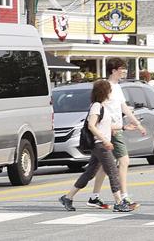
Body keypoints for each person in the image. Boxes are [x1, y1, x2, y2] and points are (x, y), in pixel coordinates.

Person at [59, 80, 132, 212]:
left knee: (90, 173)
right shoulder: (96, 106)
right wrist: (105, 140)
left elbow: (104, 125)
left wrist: (123, 127)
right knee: (113, 172)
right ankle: (119, 202)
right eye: (109, 90)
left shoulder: (101, 106)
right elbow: (91, 126)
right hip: (100, 145)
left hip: (100, 144)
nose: (111, 93)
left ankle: (68, 197)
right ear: (104, 92)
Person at [86, 58, 146, 210]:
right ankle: (124, 196)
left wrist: (137, 124)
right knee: (124, 161)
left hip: (115, 128)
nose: (124, 71)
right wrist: (110, 127)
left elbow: (124, 107)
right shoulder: (106, 87)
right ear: (113, 71)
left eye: (125, 69)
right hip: (111, 130)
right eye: (121, 69)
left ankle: (94, 197)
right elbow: (99, 110)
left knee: (102, 165)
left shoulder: (117, 87)